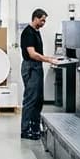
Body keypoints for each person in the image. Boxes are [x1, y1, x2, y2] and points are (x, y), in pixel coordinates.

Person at [19, 8, 58, 140]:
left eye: (44, 21)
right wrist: (48, 59)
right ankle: (25, 130)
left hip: (37, 67)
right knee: (30, 99)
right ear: (35, 18)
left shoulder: (36, 31)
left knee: (38, 99)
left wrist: (49, 58)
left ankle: (35, 126)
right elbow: (32, 54)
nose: (43, 23)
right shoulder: (28, 33)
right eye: (42, 20)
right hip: (30, 67)